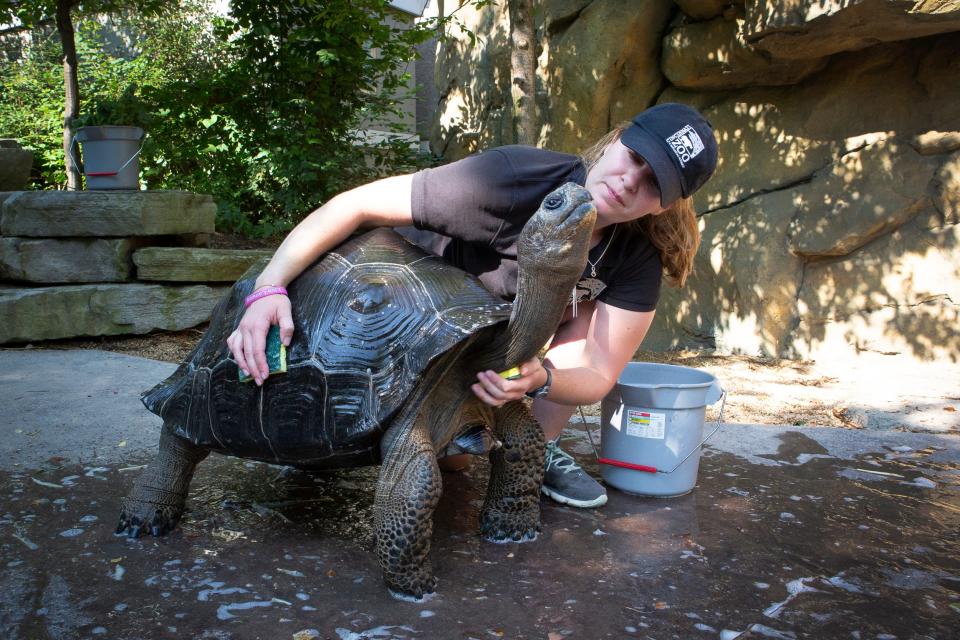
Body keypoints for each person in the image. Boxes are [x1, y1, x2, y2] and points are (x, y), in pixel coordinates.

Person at [227, 102, 718, 509]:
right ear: (615, 138)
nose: (631, 181)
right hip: (399, 317)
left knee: (462, 453)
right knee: (420, 451)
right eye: (634, 156)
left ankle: (535, 449)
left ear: (666, 205)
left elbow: (596, 369)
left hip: (488, 341)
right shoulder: (514, 179)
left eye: (654, 182)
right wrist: (269, 288)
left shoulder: (635, 256)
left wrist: (540, 379)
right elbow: (355, 205)